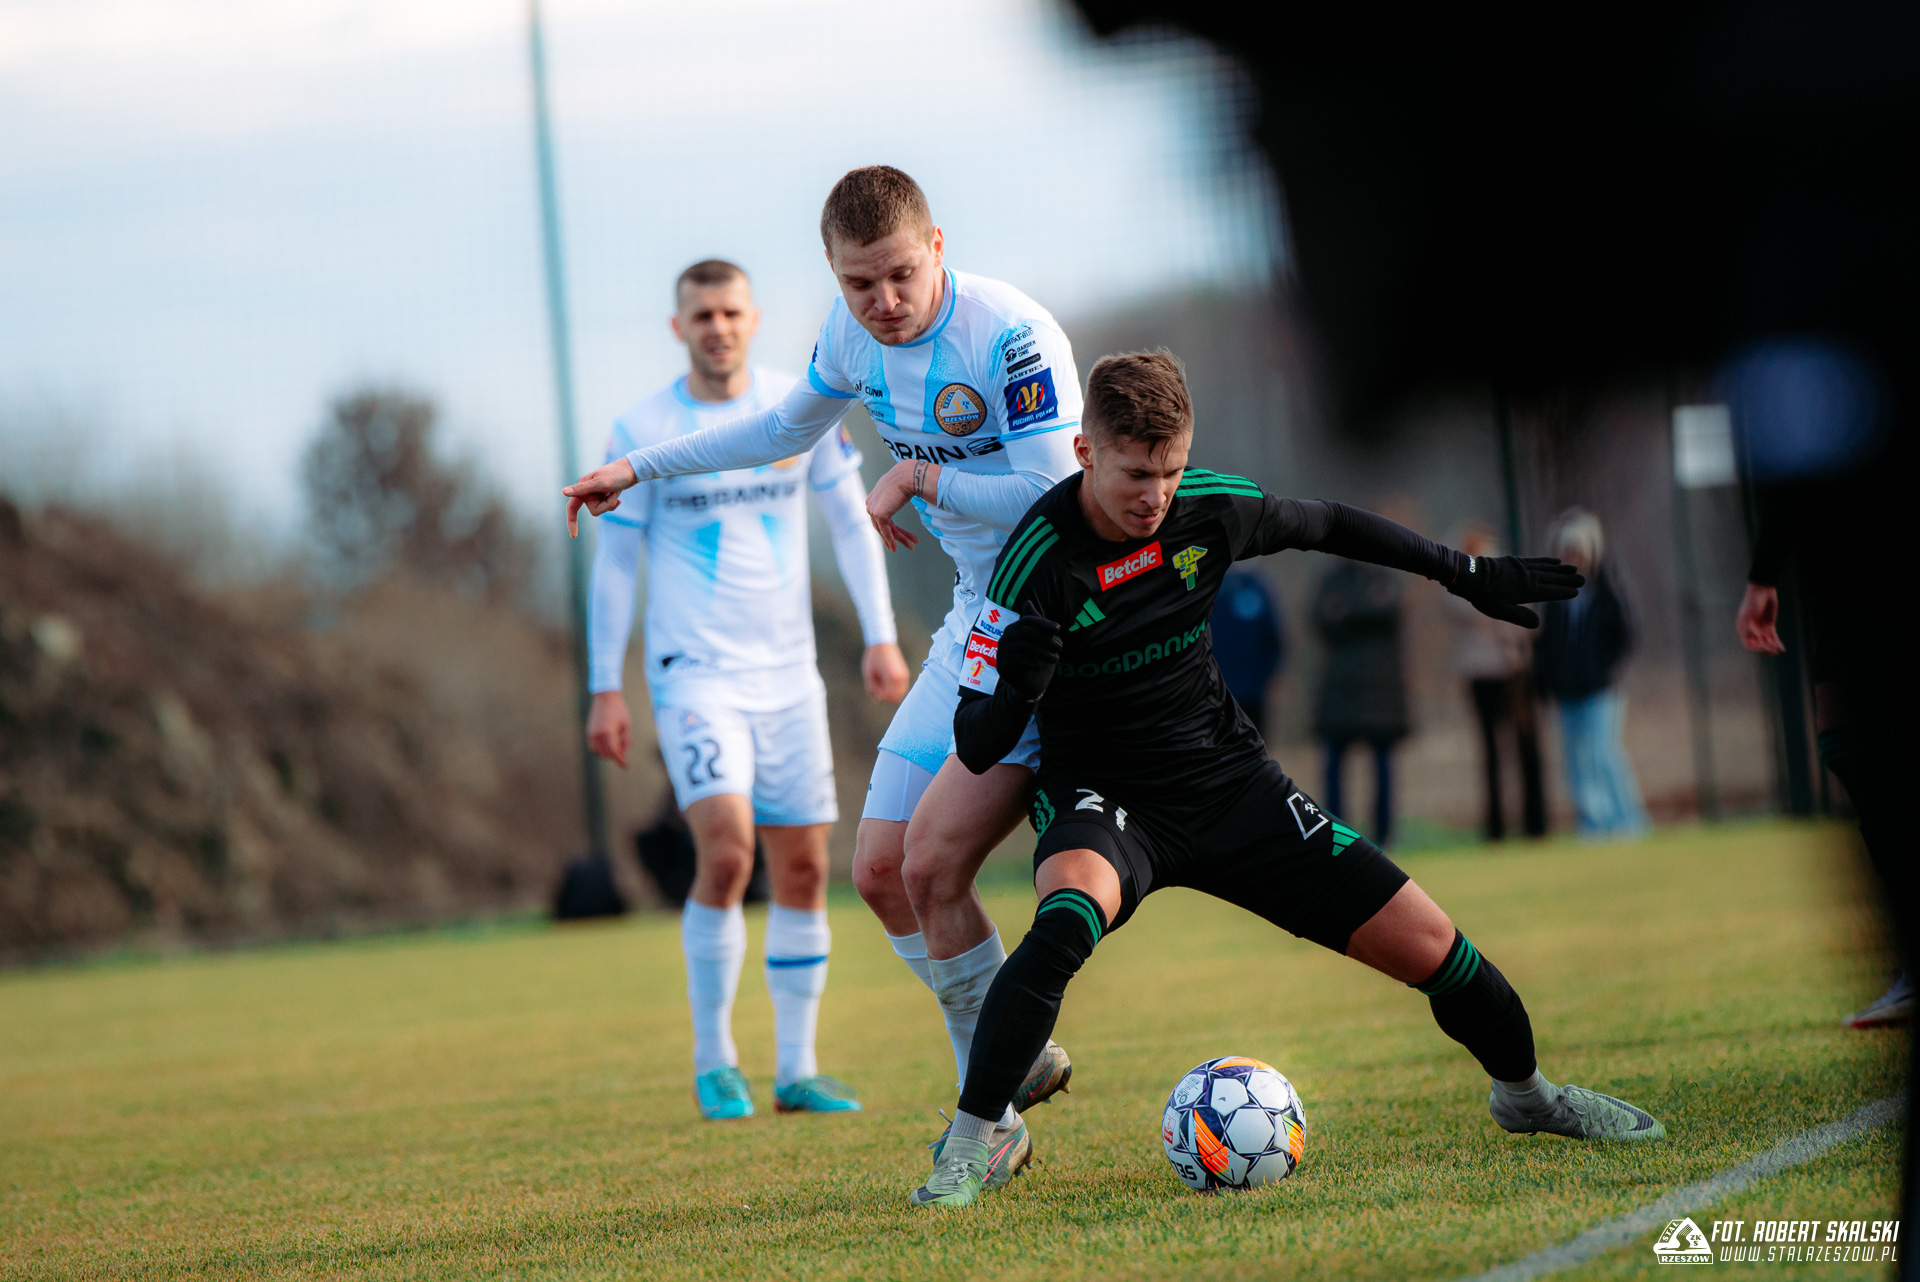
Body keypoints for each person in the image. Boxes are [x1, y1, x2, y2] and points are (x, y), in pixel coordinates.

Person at [911, 351, 1663, 1207]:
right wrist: (1018, 687)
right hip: (1107, 799)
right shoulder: (1034, 559)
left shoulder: (1208, 508)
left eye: (1170, 469)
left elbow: (1329, 523)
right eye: (1135, 474)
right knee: (1065, 923)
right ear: (1085, 452)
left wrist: (1466, 574)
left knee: (1433, 945)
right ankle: (970, 1145)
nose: (1156, 494)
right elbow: (978, 745)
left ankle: (1528, 1096)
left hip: (1233, 784)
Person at [564, 168, 1080, 1140]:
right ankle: (1012, 1057)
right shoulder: (848, 338)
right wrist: (636, 469)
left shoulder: (1010, 336)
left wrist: (921, 477)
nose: (881, 302)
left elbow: (1059, 502)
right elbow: (776, 431)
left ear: (936, 245)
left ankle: (987, 1110)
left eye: (899, 275)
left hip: (1061, 624)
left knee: (933, 864)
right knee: (878, 872)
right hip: (972, 621)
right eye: (857, 283)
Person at [585, 258, 909, 1119]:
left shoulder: (798, 408)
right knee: (727, 853)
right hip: (695, 677)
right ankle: (714, 1061)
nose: (718, 327)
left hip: (789, 678)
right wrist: (604, 686)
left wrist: (880, 635)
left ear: (753, 319)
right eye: (702, 316)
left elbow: (851, 520)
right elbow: (615, 564)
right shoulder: (643, 428)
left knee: (803, 867)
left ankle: (797, 1069)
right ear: (678, 328)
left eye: (731, 312)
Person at [1532, 509, 1648, 839]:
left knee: (1603, 754)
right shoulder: (1557, 593)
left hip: (1601, 687)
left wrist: (1607, 668)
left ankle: (1627, 821)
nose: (1574, 557)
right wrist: (1546, 679)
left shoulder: (1607, 587)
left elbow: (1626, 633)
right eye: (1567, 551)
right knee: (1575, 761)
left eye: (1578, 551)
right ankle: (1592, 823)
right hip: (1567, 689)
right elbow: (1546, 642)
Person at [1448, 525, 1546, 841]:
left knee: (1526, 748)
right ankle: (1497, 828)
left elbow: (1529, 620)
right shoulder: (1459, 583)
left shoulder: (1510, 576)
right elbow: (1461, 608)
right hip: (1482, 676)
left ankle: (1535, 825)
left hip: (1513, 672)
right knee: (1492, 753)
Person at [1312, 556, 1408, 846]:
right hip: (1339, 692)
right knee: (1333, 766)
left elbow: (1390, 611)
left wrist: (1347, 611)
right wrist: (1366, 611)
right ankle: (1336, 835)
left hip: (1379, 695)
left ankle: (1383, 837)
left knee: (1382, 766)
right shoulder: (1331, 579)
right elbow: (1319, 617)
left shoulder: (1381, 576)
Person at [1209, 568, 1285, 737]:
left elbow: (1272, 637)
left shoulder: (1256, 587)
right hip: (1213, 692)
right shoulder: (1205, 587)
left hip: (1252, 691)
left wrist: (1272, 672)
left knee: (1253, 742)